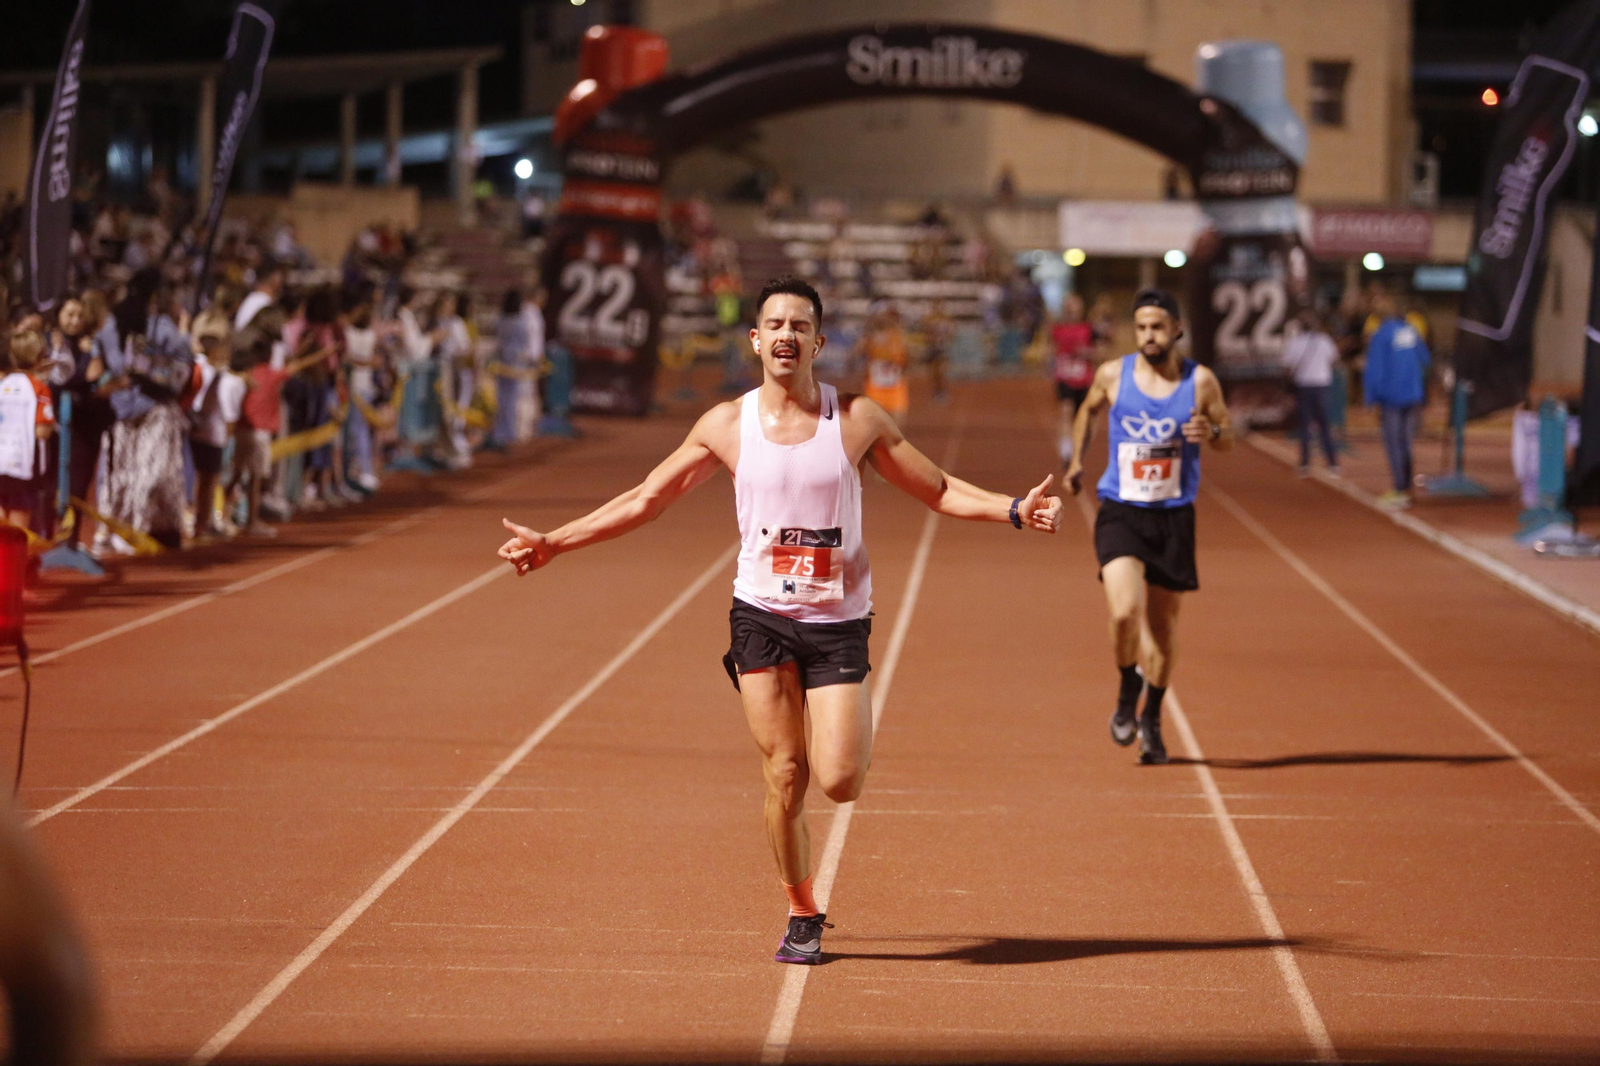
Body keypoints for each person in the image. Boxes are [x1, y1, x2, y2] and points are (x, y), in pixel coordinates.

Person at [497, 277, 1063, 964]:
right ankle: (802, 910)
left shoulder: (855, 420)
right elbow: (648, 498)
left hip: (836, 622)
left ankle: (824, 800)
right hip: (760, 615)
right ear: (757, 339)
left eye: (801, 324)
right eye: (776, 324)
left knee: (840, 779)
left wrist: (1011, 509)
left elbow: (937, 488)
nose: (787, 334)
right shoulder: (725, 426)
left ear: (818, 342)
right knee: (785, 773)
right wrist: (556, 542)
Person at [1064, 289, 1234, 765]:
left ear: (1177, 329)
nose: (1148, 336)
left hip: (1173, 517)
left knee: (1161, 629)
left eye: (1157, 327)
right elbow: (1088, 410)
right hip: (1122, 509)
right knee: (1123, 614)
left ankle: (1152, 718)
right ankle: (1127, 685)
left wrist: (1212, 434)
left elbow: (1227, 434)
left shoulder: (1200, 383)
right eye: (1140, 327)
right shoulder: (1113, 374)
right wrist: (1077, 461)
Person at [1363, 289, 1431, 509]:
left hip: (1392, 398)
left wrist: (1370, 398)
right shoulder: (1410, 331)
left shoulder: (1381, 335)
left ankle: (1400, 489)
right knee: (1406, 442)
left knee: (1394, 443)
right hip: (1412, 395)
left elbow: (1375, 369)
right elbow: (1425, 359)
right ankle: (1407, 488)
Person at [0, 328, 57, 534]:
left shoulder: (2, 385)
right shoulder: (40, 389)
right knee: (17, 530)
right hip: (23, 466)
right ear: (40, 358)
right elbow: (42, 432)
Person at [1282, 308, 1342, 476]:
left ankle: (1305, 463)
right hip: (1322, 386)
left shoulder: (1296, 342)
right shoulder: (1324, 340)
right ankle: (1332, 463)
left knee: (1305, 426)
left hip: (1304, 386)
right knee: (1324, 426)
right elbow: (1334, 359)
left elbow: (1287, 366)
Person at [1051, 293, 1097, 466]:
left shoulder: (1088, 329)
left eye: (1075, 306)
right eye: (1069, 306)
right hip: (1064, 377)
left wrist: (1086, 352)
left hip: (1083, 379)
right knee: (1066, 411)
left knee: (1082, 418)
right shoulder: (1058, 328)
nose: (1072, 310)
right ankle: (1066, 451)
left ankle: (1078, 448)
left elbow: (1101, 352)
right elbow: (1051, 349)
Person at [860, 304, 910, 422]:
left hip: (895, 386)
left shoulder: (899, 336)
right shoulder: (869, 337)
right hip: (875, 386)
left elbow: (906, 358)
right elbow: (861, 353)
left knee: (896, 427)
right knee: (875, 425)